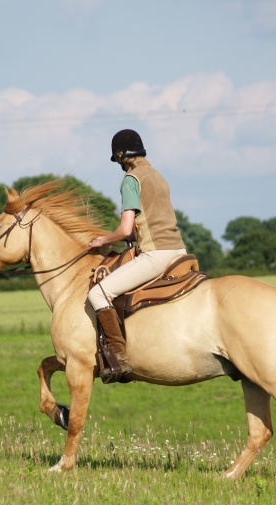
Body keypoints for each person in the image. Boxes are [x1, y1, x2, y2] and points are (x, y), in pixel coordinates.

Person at [88, 129, 187, 383]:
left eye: (118, 159)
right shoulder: (158, 176)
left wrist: (102, 240)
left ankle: (118, 358)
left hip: (156, 255)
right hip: (180, 251)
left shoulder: (132, 179)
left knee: (98, 293)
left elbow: (124, 229)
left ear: (121, 155)